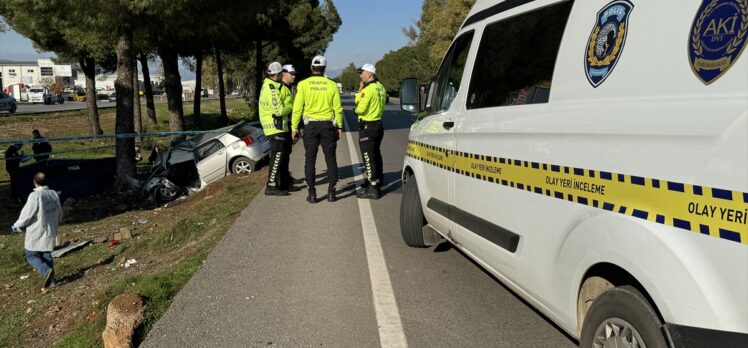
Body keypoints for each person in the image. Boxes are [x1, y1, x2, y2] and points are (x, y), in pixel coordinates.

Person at [291, 55, 343, 204]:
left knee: (310, 159)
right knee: (331, 159)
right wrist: (339, 126)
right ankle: (331, 193)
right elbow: (337, 108)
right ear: (325, 68)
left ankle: (312, 193)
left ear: (311, 68)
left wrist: (294, 127)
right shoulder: (332, 85)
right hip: (328, 125)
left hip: (310, 127)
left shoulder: (303, 85)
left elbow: (297, 109)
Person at [11, 172, 63, 291]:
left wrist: (17, 225)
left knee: (31, 254)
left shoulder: (35, 196)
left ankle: (46, 271)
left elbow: (27, 214)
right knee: (46, 254)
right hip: (51, 229)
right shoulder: (54, 194)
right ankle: (52, 281)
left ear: (35, 183)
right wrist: (58, 221)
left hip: (37, 230)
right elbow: (59, 211)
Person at [259, 62, 294, 196]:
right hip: (274, 127)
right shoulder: (272, 88)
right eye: (281, 74)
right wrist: (291, 107)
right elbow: (279, 110)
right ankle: (271, 185)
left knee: (280, 155)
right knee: (277, 156)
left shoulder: (268, 85)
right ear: (278, 74)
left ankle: (280, 183)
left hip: (276, 126)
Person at [354, 64, 387, 199]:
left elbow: (359, 107)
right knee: (376, 154)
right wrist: (361, 88)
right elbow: (358, 99)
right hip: (378, 124)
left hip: (368, 126)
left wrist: (354, 111)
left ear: (369, 73)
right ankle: (378, 179)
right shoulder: (380, 87)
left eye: (362, 73)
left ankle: (373, 188)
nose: (360, 75)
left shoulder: (369, 90)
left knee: (368, 157)